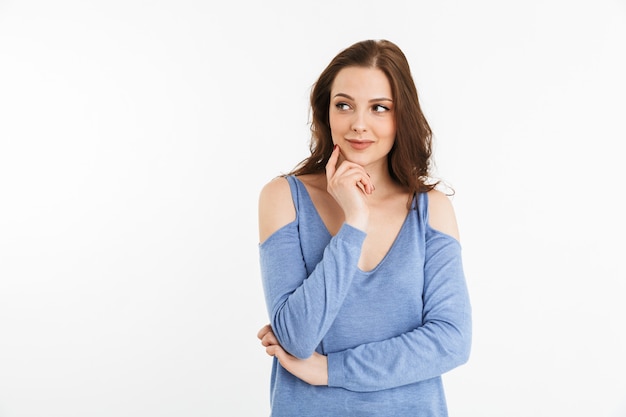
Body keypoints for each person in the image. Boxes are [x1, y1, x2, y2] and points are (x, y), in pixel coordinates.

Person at [256, 39, 472, 417]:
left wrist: (331, 370)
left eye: (379, 108)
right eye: (344, 105)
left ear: (400, 116)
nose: (358, 124)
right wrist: (354, 221)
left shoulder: (430, 210)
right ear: (327, 112)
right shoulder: (283, 198)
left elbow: (451, 341)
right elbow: (296, 337)